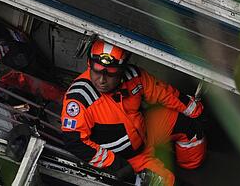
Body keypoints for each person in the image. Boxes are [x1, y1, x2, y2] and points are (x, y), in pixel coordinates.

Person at [59, 40, 206, 186]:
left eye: (111, 73)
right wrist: (117, 165)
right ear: (89, 65)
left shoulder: (134, 77)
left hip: (145, 133)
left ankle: (190, 168)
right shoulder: (80, 98)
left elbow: (163, 92)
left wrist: (195, 110)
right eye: (97, 70)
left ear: (121, 71)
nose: (102, 80)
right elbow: (75, 142)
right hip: (128, 159)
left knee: (190, 127)